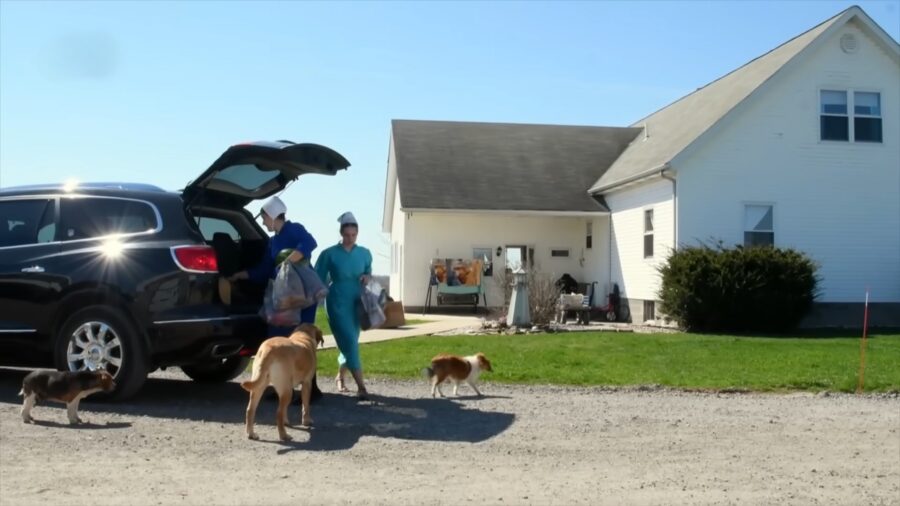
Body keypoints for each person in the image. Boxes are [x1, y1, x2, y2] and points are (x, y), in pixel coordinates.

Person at [230, 195, 323, 401]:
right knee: (278, 338)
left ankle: (311, 388)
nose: (263, 222)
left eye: (264, 218)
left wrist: (287, 261)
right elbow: (264, 269)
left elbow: (310, 242)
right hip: (282, 297)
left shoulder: (294, 229)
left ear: (272, 216)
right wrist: (241, 275)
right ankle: (283, 388)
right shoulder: (273, 241)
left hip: (303, 296)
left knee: (302, 340)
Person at [314, 212, 372, 400]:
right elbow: (317, 278)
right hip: (337, 301)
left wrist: (367, 277)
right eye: (346, 235)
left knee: (350, 342)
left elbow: (368, 272)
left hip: (357, 303)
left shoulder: (364, 253)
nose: (350, 239)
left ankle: (340, 376)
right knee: (349, 341)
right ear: (341, 233)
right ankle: (362, 387)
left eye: (353, 235)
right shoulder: (329, 254)